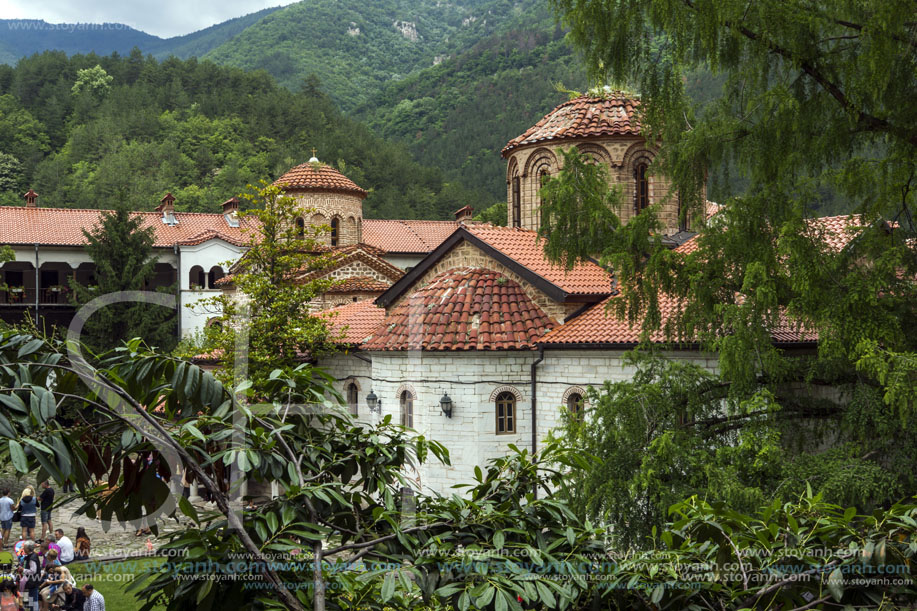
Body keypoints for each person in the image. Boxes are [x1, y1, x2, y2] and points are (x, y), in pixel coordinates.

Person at [18, 540, 41, 611]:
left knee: (34, 597)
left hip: (33, 580)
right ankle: (32, 609)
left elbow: (33, 571)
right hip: (33, 580)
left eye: (24, 547)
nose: (23, 549)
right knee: (31, 596)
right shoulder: (32, 555)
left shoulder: (32, 558)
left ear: (28, 549)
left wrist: (23, 570)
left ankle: (34, 609)